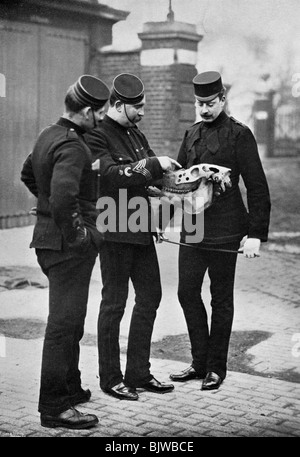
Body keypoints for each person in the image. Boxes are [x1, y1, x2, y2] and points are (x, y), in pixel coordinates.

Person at [169, 71, 271, 390]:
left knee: (220, 298)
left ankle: (216, 368)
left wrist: (255, 234)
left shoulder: (239, 135)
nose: (204, 109)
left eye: (210, 103)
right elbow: (178, 181)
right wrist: (159, 220)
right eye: (200, 104)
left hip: (227, 229)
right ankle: (199, 362)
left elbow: (256, 187)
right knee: (187, 292)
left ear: (223, 99)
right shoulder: (192, 133)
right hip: (194, 227)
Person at [20, 75, 110, 429]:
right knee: (62, 326)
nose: (100, 119)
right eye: (98, 113)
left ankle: (70, 388)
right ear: (86, 111)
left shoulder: (48, 135)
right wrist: (82, 236)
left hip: (49, 242)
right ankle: (55, 407)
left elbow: (29, 173)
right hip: (66, 247)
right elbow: (63, 197)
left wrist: (46, 207)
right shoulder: (74, 147)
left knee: (71, 321)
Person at [85, 73, 179, 401]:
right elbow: (111, 177)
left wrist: (186, 183)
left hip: (140, 230)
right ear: (119, 105)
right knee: (114, 303)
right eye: (137, 107)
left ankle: (138, 372)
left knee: (150, 297)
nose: (142, 113)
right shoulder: (98, 135)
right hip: (113, 232)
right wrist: (154, 163)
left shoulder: (134, 132)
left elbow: (150, 178)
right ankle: (110, 378)